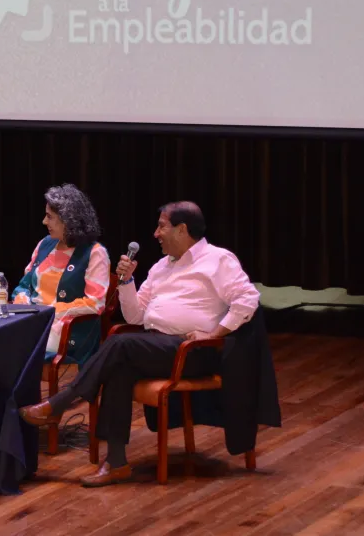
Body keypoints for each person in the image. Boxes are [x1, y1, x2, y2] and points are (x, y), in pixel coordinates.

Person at [18, 201, 260, 487]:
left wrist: (216, 333)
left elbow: (248, 299)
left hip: (194, 351)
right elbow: (135, 315)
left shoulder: (218, 260)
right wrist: (127, 281)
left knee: (121, 345)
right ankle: (116, 462)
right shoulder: (161, 267)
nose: (155, 234)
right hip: (156, 346)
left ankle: (61, 402)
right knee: (121, 366)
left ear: (182, 230)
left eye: (162, 226)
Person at [11, 184, 111, 364]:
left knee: (11, 347)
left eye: (49, 217)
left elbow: (95, 303)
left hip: (65, 329)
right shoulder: (45, 244)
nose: (44, 222)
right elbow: (24, 285)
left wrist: (49, 312)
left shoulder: (95, 253)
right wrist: (22, 302)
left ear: (68, 220)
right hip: (34, 321)